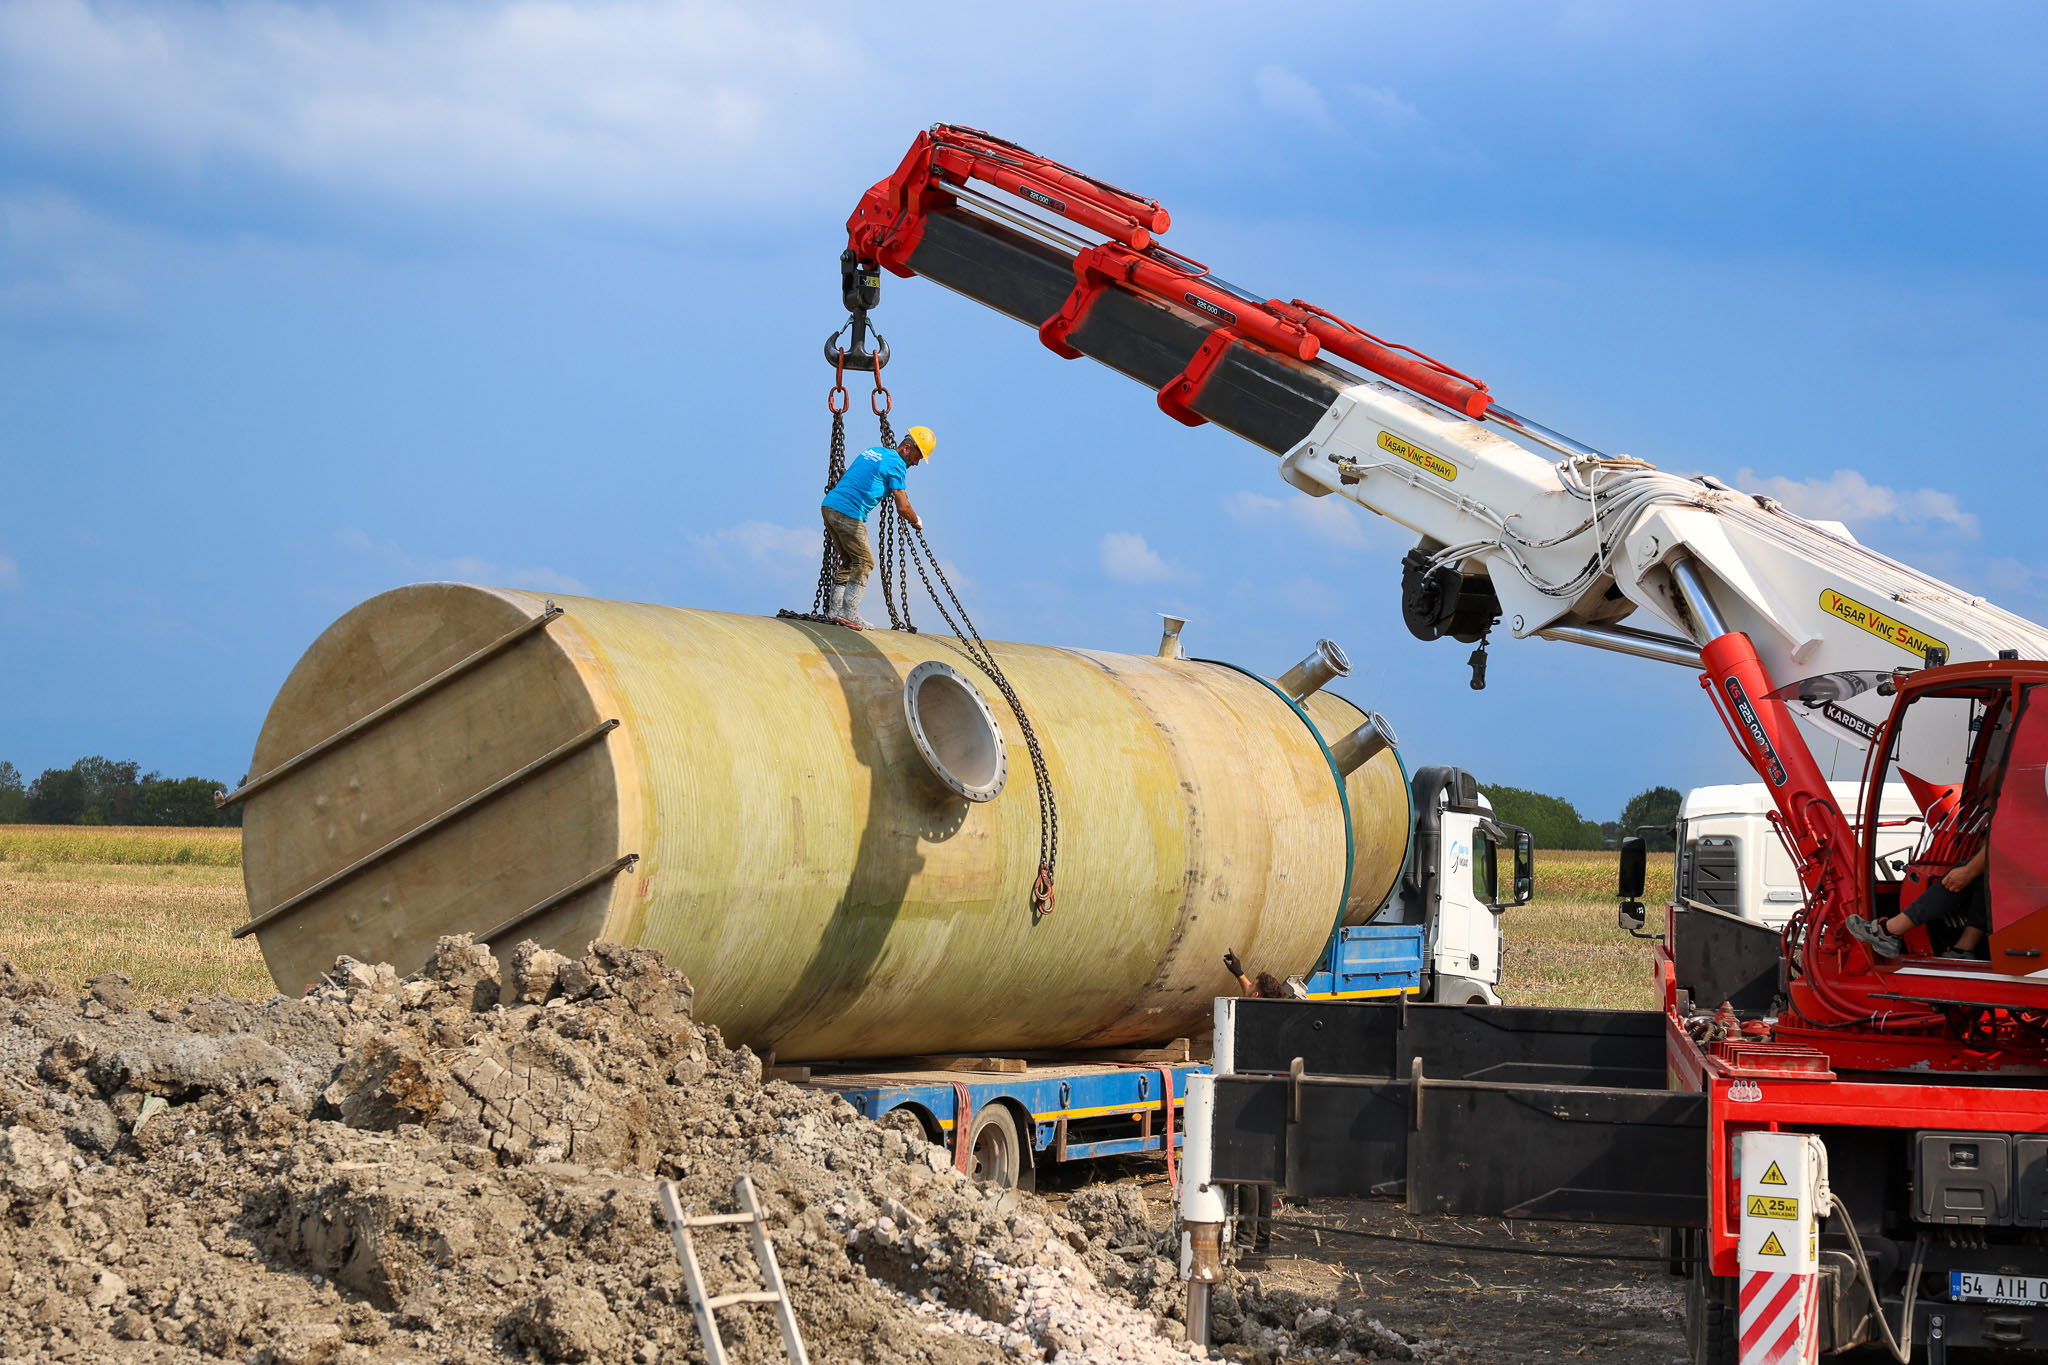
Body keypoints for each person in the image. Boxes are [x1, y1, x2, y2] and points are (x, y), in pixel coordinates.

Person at [820, 426, 934, 630]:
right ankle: (849, 613)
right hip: (848, 512)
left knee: (850, 561)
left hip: (830, 507)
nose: (916, 463)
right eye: (918, 457)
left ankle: (835, 612)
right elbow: (903, 507)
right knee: (865, 562)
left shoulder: (875, 451)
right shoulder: (897, 464)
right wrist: (916, 520)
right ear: (907, 448)